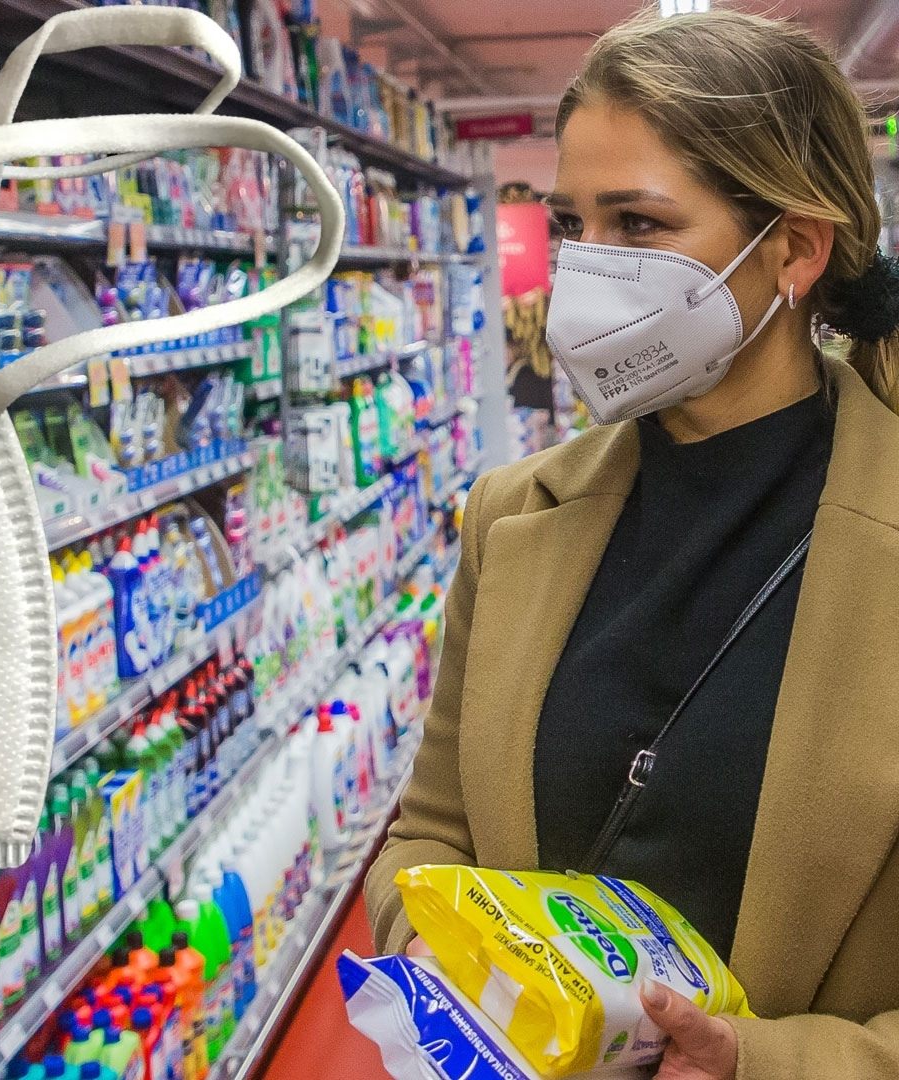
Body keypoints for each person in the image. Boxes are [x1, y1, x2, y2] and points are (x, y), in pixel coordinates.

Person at [365, 10, 899, 1079]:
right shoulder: (513, 519)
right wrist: (442, 959)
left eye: (641, 226)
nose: (585, 273)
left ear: (795, 250)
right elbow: (426, 834)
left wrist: (760, 1061)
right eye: (572, 224)